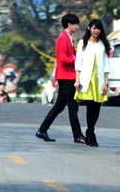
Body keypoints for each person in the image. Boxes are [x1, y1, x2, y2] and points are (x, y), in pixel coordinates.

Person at [36, 13, 86, 144]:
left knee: (59, 106)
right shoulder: (63, 38)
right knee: (73, 106)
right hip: (66, 76)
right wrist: (76, 59)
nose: (78, 26)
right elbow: (63, 58)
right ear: (69, 25)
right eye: (76, 24)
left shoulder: (70, 37)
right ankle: (78, 135)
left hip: (68, 75)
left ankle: (42, 130)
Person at [74, 19, 111, 147]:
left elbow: (107, 64)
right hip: (87, 79)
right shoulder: (82, 43)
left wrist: (106, 82)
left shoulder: (103, 44)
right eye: (94, 28)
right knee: (90, 106)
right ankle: (91, 133)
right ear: (89, 28)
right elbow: (78, 63)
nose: (96, 31)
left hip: (99, 79)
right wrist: (77, 80)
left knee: (97, 107)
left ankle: (90, 130)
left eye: (98, 28)